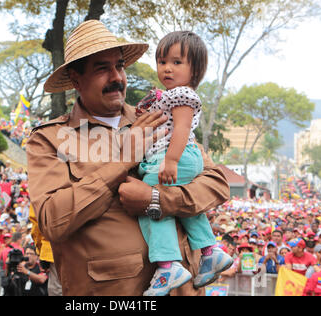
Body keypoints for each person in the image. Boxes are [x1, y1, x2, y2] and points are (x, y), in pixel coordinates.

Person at [27, 20, 230, 296]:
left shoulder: (157, 116)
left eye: (120, 66)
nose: (117, 77)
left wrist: (156, 200)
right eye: (102, 68)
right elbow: (53, 220)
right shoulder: (49, 138)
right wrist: (124, 162)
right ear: (76, 79)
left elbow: (217, 184)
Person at [134, 31, 233, 295]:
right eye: (162, 61)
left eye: (177, 62)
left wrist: (170, 160)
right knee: (186, 207)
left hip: (176, 156)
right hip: (182, 157)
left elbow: (181, 130)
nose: (167, 68)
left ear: (195, 69)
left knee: (151, 204)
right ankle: (210, 251)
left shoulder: (181, 94)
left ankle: (168, 266)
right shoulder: (170, 94)